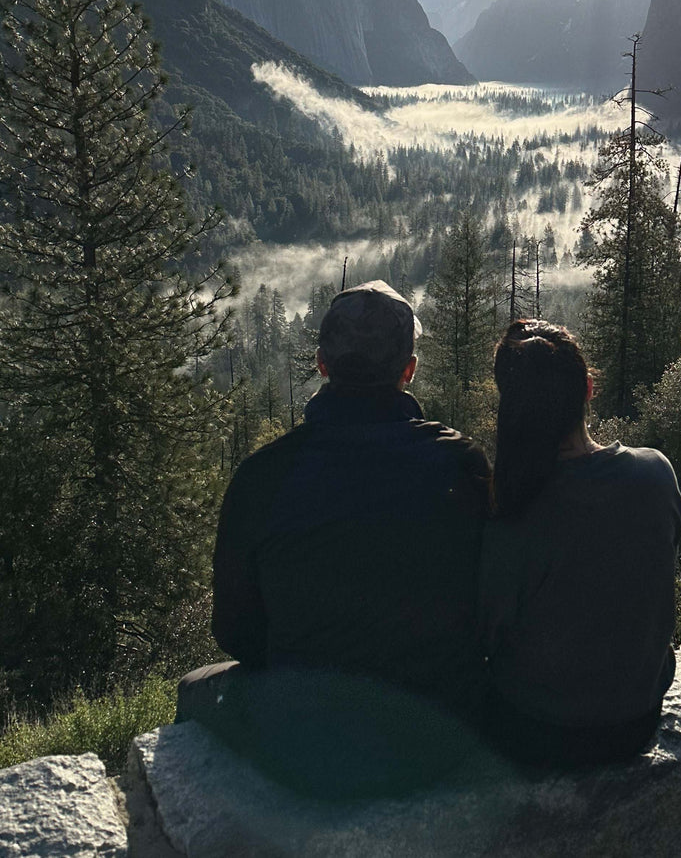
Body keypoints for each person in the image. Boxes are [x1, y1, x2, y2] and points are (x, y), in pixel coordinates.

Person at [177, 280, 491, 796]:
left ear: (322, 363)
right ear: (408, 370)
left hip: (307, 748)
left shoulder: (263, 477)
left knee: (195, 689)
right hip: (442, 739)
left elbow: (235, 633)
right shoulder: (460, 463)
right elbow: (487, 601)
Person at [480, 319, 681, 770]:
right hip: (637, 720)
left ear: (510, 404)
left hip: (539, 731)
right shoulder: (655, 474)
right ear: (589, 388)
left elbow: (485, 631)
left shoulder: (509, 509)